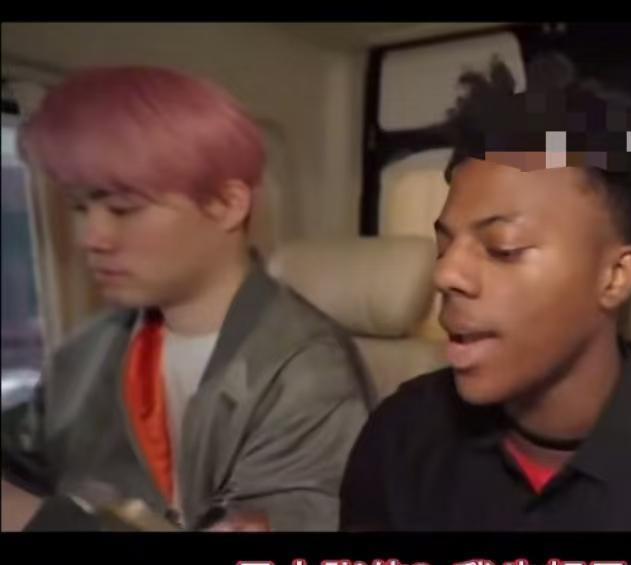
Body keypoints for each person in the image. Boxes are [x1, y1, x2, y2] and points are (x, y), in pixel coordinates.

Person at [340, 54, 631, 531]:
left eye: (503, 248)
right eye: (444, 246)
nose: (446, 274)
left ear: (615, 277)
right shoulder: (400, 436)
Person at [1, 66, 373, 531]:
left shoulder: (306, 372)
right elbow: (22, 454)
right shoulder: (84, 351)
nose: (91, 237)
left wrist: (36, 519)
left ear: (227, 205)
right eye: (80, 207)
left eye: (123, 209)